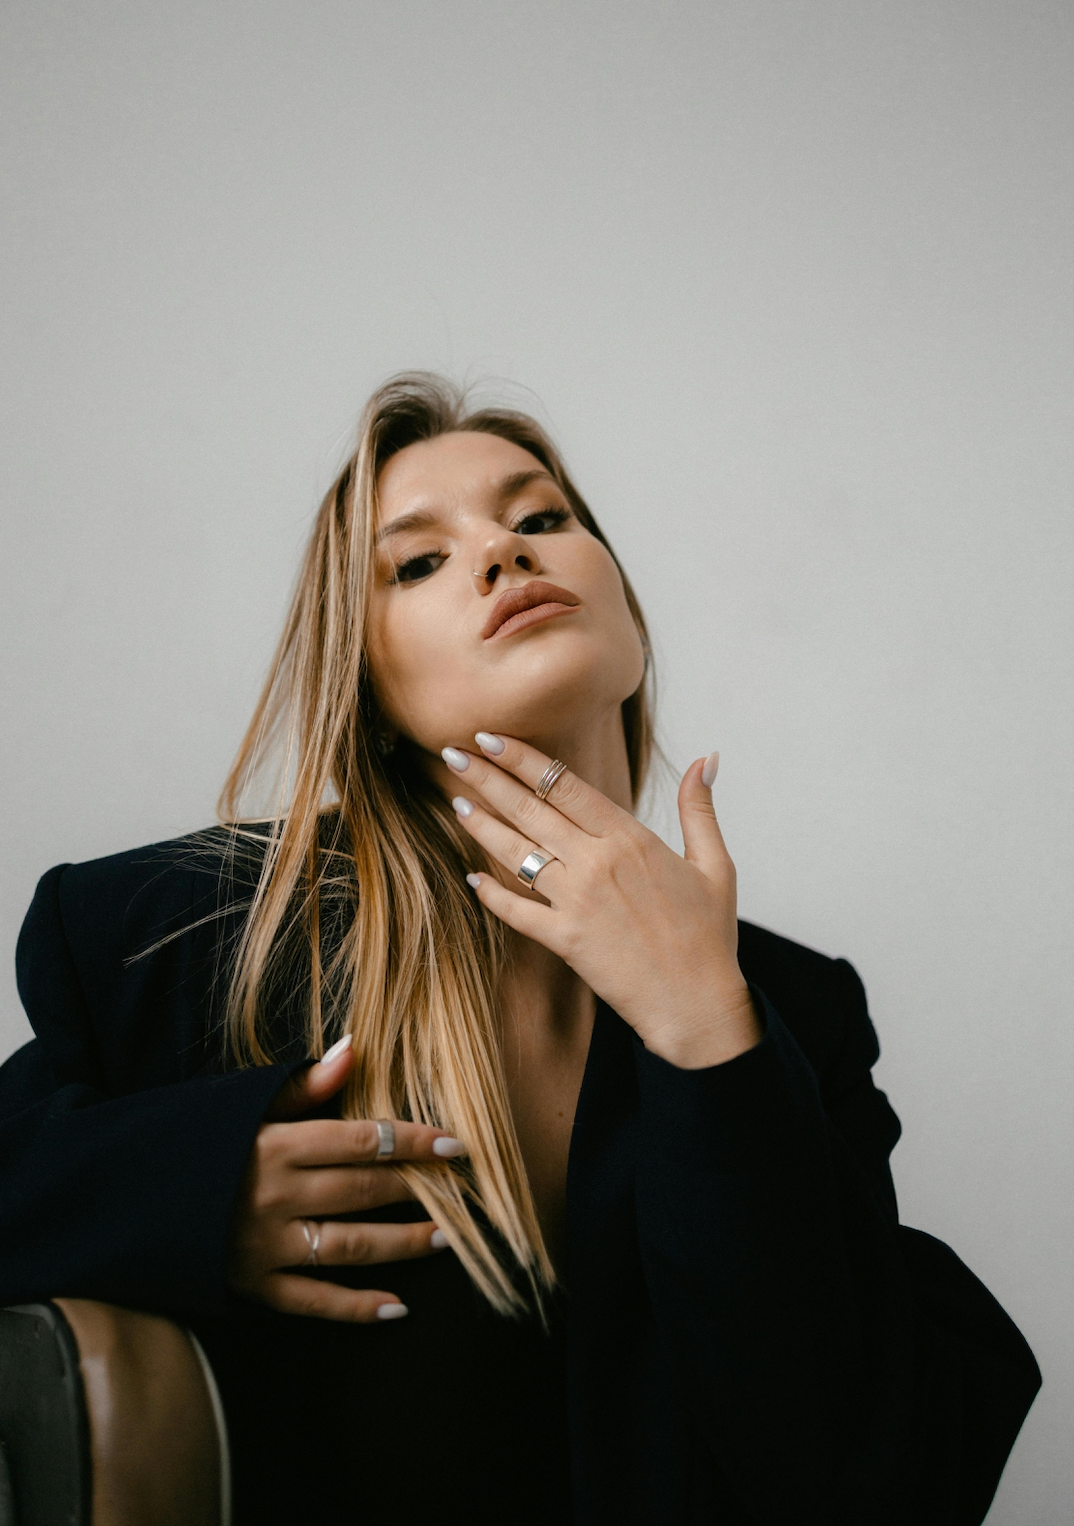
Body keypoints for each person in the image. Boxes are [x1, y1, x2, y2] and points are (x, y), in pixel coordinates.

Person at [0, 374, 1040, 1524]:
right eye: (417, 561)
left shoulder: (794, 1007)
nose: (502, 548)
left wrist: (707, 1028)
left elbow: (874, 1476)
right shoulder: (180, 934)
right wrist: (190, 1196)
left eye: (540, 515)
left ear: (630, 622)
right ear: (365, 679)